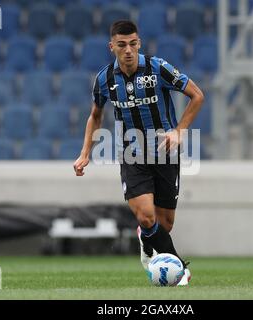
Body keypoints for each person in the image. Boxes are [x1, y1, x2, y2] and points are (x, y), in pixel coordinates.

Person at [73, 20, 204, 286]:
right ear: (112, 47)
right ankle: (179, 270)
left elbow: (197, 95)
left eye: (133, 44)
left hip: (165, 153)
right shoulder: (104, 79)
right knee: (146, 215)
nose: (128, 50)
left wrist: (179, 131)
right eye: (122, 45)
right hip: (132, 154)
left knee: (164, 224)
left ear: (139, 43)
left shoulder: (158, 68)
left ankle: (146, 240)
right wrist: (85, 152)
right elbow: (95, 116)